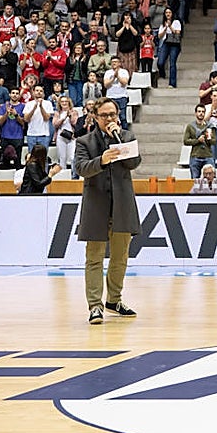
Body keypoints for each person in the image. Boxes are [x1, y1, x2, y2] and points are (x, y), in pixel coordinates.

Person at [74, 97, 142, 325]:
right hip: (96, 205)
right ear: (95, 117)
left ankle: (114, 300)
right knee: (94, 258)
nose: (110, 119)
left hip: (122, 205)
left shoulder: (127, 137)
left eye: (113, 114)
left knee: (120, 257)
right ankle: (95, 306)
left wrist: (119, 139)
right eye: (105, 115)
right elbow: (81, 169)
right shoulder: (84, 141)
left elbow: (134, 163)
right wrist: (101, 161)